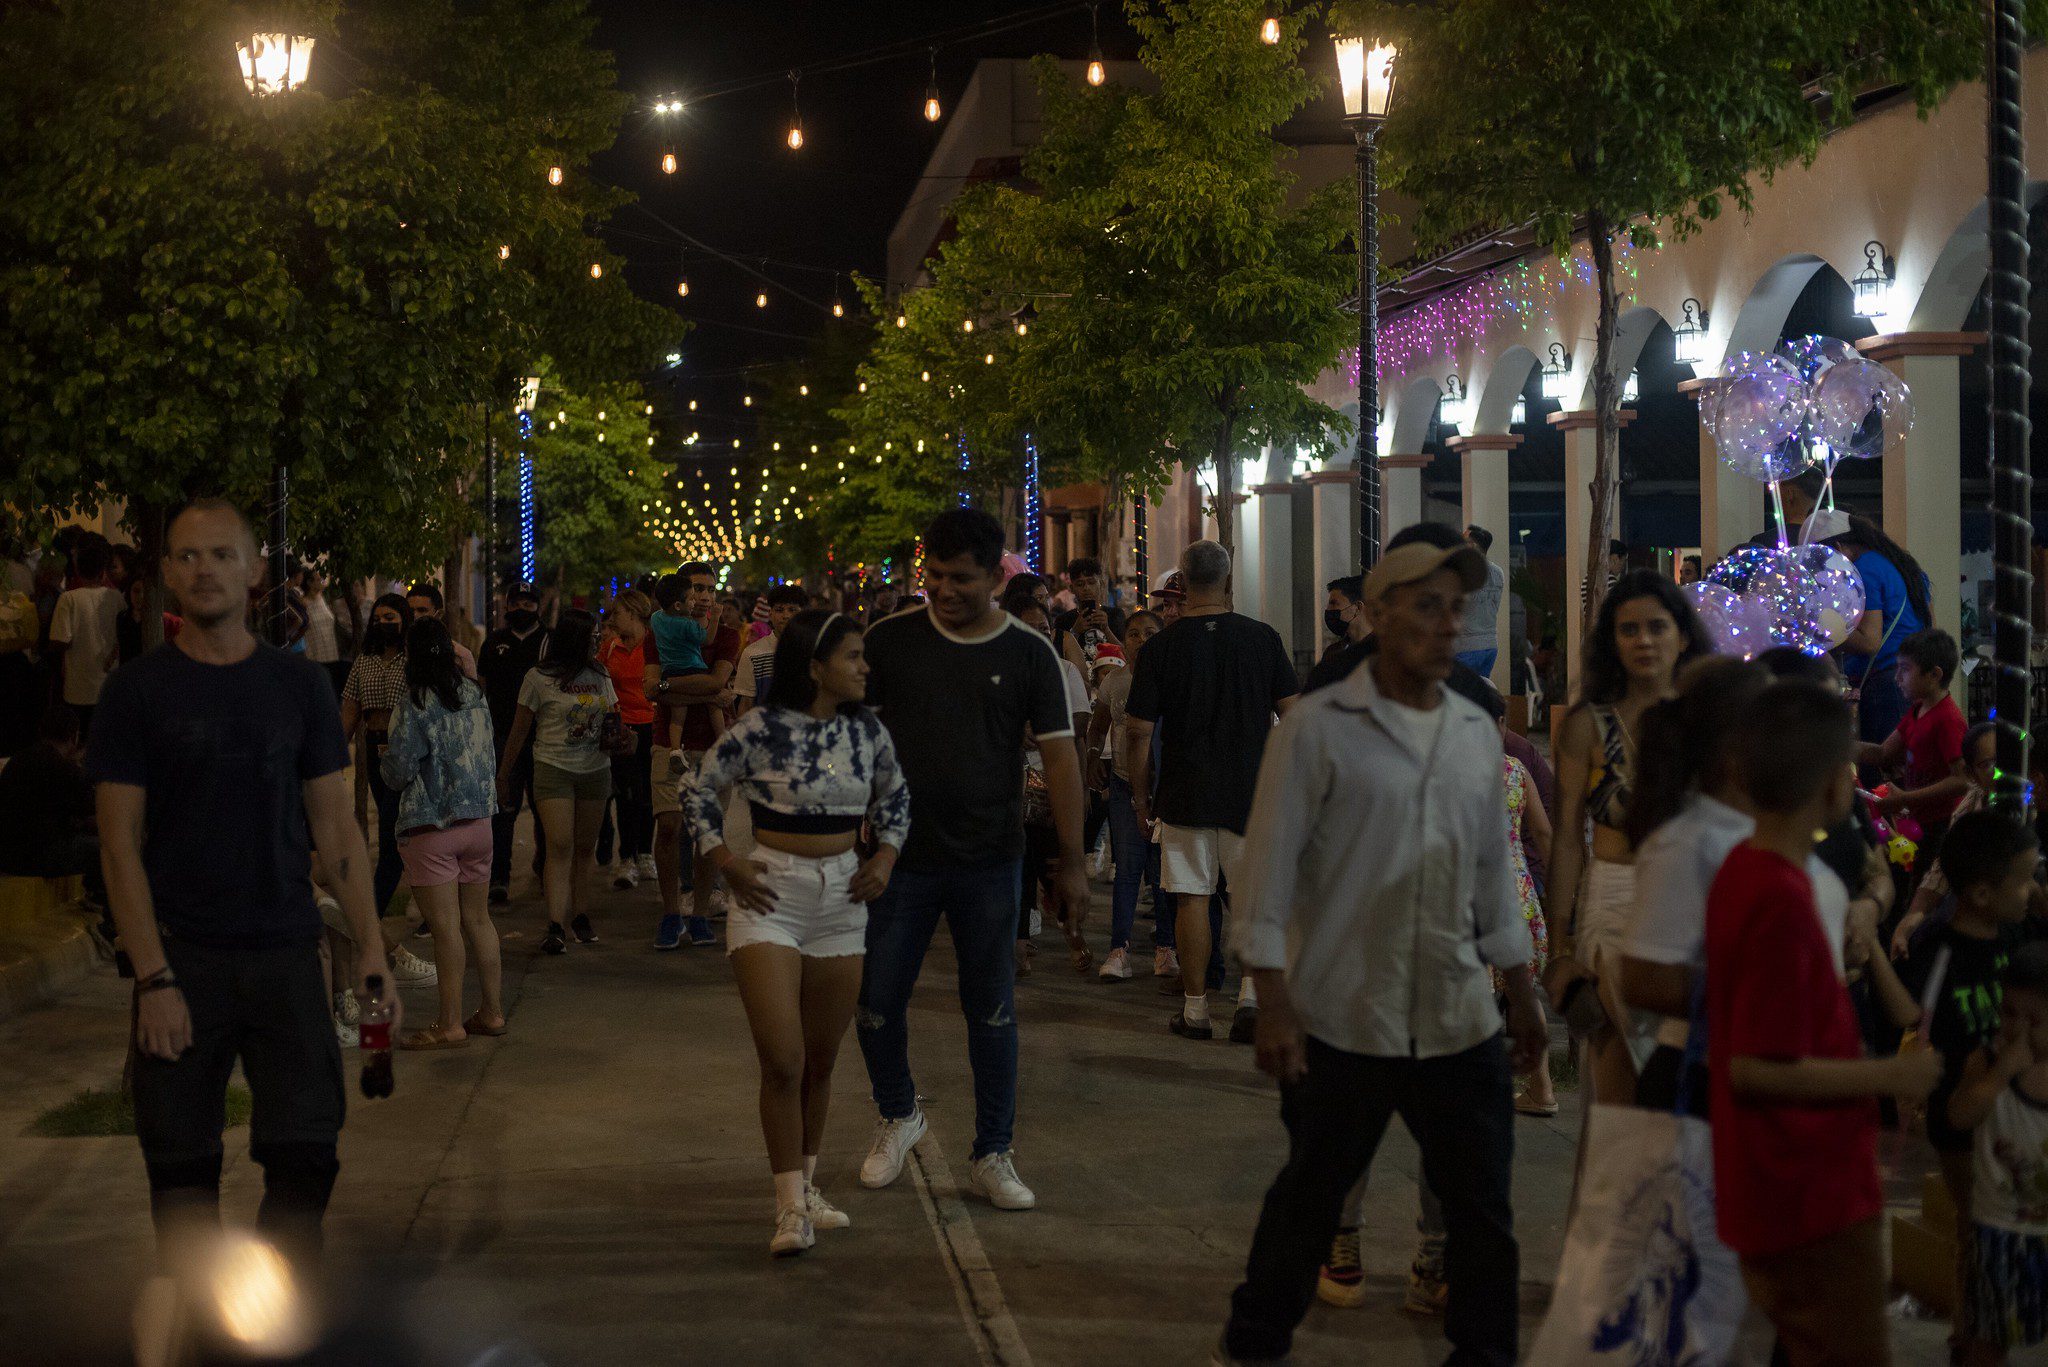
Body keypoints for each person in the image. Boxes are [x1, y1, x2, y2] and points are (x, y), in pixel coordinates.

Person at [1213, 535, 1550, 1367]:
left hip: (1456, 1012)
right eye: (1426, 604)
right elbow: (1266, 870)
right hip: (1342, 1016)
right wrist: (1274, 1002)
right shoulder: (1320, 727)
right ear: (1380, 611)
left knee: (1483, 1216)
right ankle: (1251, 1346)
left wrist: (1520, 985)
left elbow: (1488, 873)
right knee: (1308, 1202)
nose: (1446, 624)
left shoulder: (1476, 731)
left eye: (1456, 608)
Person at [86, 498, 397, 1272]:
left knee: (307, 1155)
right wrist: (151, 974)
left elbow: (336, 832)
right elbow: (119, 844)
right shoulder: (136, 693)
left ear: (257, 571)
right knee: (181, 1174)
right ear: (165, 572)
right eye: (188, 556)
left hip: (286, 952)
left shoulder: (296, 690)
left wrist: (372, 952)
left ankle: (270, 1316)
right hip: (182, 960)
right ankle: (202, 1319)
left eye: (222, 555)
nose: (204, 570)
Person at [854, 508, 1088, 1212]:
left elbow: (1061, 758)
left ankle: (993, 1150)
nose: (944, 590)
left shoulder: (1028, 653)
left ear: (996, 576)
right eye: (933, 577)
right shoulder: (888, 642)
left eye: (961, 579)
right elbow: (852, 744)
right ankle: (899, 1113)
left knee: (990, 1011)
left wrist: (1072, 861)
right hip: (899, 859)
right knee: (873, 1003)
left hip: (991, 859)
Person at [1705, 679, 1940, 1367]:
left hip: (1783, 1183)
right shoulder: (1777, 895)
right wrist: (1889, 1073)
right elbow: (1756, 1064)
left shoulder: (1750, 871)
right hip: (1806, 1189)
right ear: (1836, 786)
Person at [684, 610, 912, 1256]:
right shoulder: (758, 729)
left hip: (844, 897)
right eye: (853, 656)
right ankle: (787, 1207)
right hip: (770, 896)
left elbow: (896, 799)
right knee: (782, 1058)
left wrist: (885, 857)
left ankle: (806, 1188)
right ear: (816, 666)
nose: (866, 667)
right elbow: (700, 791)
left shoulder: (868, 731)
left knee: (820, 1059)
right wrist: (725, 861)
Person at [1863, 809, 2042, 1357]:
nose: (2033, 888)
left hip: (2016, 1111)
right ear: (1983, 894)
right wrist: (1874, 943)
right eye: (2025, 877)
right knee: (1975, 1231)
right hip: (1960, 1115)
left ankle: (1980, 1329)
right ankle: (1970, 1336)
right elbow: (1906, 1014)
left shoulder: (2018, 930)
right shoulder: (1938, 948)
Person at [1545, 570, 1709, 1107]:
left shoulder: (1708, 719)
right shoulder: (1586, 725)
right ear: (1612, 643)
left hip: (1694, 904)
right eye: (1629, 629)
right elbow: (1567, 840)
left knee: (1684, 1076)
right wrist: (1560, 947)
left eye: (1657, 627)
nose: (1644, 640)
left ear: (1683, 636)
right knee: (1616, 1086)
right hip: (1613, 901)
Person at [1126, 540, 1299, 1044]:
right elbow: (1295, 716)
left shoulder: (1162, 647)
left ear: (1182, 580)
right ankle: (1248, 999)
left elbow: (1137, 732)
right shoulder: (1263, 639)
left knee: (1191, 899)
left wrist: (1141, 797)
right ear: (1228, 581)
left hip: (1184, 790)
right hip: (1253, 791)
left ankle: (1197, 1008)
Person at [380, 618, 505, 1050]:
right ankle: (491, 1011)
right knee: (478, 920)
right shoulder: (473, 695)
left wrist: (383, 760)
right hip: (480, 825)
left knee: (446, 928)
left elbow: (398, 771)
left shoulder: (413, 702)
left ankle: (449, 1023)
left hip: (431, 827)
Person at [1945, 941, 2048, 1364]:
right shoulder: (1985, 1061)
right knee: (1989, 1336)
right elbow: (1958, 1117)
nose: (2019, 1029)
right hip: (1995, 1231)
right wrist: (2001, 1073)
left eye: (2036, 1020)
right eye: (2010, 1014)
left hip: (2044, 1233)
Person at [495, 608, 618, 956]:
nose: (597, 640)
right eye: (592, 635)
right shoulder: (538, 677)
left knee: (584, 847)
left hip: (595, 769)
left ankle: (579, 915)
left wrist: (621, 739)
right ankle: (554, 923)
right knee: (560, 844)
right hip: (552, 767)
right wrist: (503, 774)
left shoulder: (600, 674)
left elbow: (612, 717)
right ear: (576, 638)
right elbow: (519, 730)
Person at [648, 564, 744, 949]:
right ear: (681, 595)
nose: (704, 596)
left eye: (709, 589)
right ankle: (672, 913)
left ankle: (701, 913)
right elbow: (653, 688)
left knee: (708, 832)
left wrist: (675, 687)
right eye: (696, 589)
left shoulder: (725, 636)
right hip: (669, 744)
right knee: (670, 827)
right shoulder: (660, 627)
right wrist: (700, 691)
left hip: (712, 748)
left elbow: (718, 681)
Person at [1005, 592, 1095, 977]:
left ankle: (1073, 932)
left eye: (1044, 629)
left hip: (1050, 789)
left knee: (1054, 866)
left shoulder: (1064, 670)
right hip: (1009, 792)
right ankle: (1020, 946)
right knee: (1018, 873)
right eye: (1029, 629)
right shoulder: (999, 670)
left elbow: (1078, 726)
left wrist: (1081, 781)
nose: (1039, 636)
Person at [1088, 609, 1173, 982]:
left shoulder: (1174, 679)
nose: (1141, 640)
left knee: (1163, 872)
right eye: (1134, 634)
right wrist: (1092, 756)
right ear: (1124, 641)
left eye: (1150, 632)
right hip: (1124, 783)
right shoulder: (1116, 683)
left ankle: (1165, 949)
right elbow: (1100, 723)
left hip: (1166, 788)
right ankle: (1119, 949)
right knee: (1128, 868)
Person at [1825, 511, 1934, 747]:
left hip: (1885, 684)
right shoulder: (1899, 563)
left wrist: (1819, 630)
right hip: (1912, 677)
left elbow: (1869, 641)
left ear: (1838, 547)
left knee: (1881, 772)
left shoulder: (1864, 568)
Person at [340, 593, 415, 921]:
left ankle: (369, 914)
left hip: (404, 749)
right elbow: (349, 712)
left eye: (391, 618)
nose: (384, 624)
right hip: (373, 748)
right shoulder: (364, 661)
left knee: (390, 832)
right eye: (379, 619)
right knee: (394, 828)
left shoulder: (413, 660)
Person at [1857, 626, 1968, 845]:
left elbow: (1961, 781)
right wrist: (1833, 744)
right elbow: (1882, 753)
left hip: (1942, 827)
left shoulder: (1947, 719)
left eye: (1905, 669)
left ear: (1934, 674)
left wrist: (1905, 798)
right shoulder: (1918, 709)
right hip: (1922, 821)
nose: (1897, 677)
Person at [479, 583, 549, 904]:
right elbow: (482, 685)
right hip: (504, 735)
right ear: (507, 607)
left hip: (543, 737)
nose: (523, 608)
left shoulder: (548, 641)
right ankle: (499, 877)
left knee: (544, 807)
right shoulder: (495, 642)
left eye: (529, 603)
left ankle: (546, 864)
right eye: (517, 602)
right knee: (503, 808)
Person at [0, 705, 99, 900]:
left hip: (7, 854)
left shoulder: (16, 761)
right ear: (74, 736)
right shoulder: (65, 770)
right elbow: (97, 820)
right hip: (39, 857)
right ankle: (99, 903)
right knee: (105, 849)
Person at [596, 589, 657, 891]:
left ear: (632, 613)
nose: (613, 618)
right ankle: (627, 857)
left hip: (651, 726)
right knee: (625, 793)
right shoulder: (609, 648)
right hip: (621, 728)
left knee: (648, 792)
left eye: (617, 612)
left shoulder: (654, 645)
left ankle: (645, 853)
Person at [47, 535, 123, 732]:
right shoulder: (115, 597)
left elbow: (59, 640)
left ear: (78, 569)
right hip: (110, 685)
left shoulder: (68, 599)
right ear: (102, 571)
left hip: (77, 688)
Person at [734, 585, 809, 714]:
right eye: (780, 610)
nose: (786, 615)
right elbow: (746, 704)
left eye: (792, 610)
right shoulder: (753, 653)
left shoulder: (814, 650)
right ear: (770, 614)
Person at [1053, 556, 1125, 676]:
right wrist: (1074, 632)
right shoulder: (1063, 620)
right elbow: (1059, 657)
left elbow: (1125, 652)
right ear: (1072, 588)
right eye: (1080, 584)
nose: (1086, 588)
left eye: (1091, 582)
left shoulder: (1115, 615)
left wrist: (1106, 629)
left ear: (1100, 584)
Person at [1454, 525, 1505, 679]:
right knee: (1479, 694)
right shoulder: (1498, 572)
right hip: (1490, 645)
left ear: (1472, 546)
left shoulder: (1465, 572)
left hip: (1467, 646)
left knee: (1461, 695)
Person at [403, 582, 476, 678]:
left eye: (422, 610)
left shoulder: (459, 655)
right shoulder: (397, 651)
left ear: (438, 614)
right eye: (410, 611)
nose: (415, 615)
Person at [116, 572, 183, 663]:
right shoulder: (122, 617)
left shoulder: (165, 620)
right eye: (136, 591)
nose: (141, 596)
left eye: (145, 592)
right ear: (129, 592)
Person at [301, 566, 345, 696]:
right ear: (309, 582)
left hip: (331, 653)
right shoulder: (304, 602)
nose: (322, 582)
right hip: (315, 655)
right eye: (318, 580)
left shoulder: (322, 599)